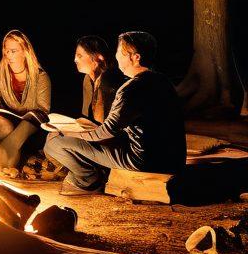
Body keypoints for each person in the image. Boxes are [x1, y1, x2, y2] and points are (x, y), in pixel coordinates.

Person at [45, 31, 186, 196]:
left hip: (143, 160)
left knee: (54, 142)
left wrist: (71, 133)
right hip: (173, 159)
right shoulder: (162, 81)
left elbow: (107, 131)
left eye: (120, 52)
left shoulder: (131, 89)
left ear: (135, 57)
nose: (116, 56)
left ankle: (89, 181)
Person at [0, 29, 51, 170]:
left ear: (25, 51)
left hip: (32, 129)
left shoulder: (41, 78)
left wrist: (13, 140)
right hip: (8, 124)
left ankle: (5, 155)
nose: (8, 55)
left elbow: (42, 113)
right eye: (6, 51)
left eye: (13, 51)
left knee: (28, 125)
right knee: (0, 126)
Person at [74, 34, 122, 124]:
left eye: (79, 56)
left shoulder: (108, 81)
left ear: (99, 57)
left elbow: (107, 124)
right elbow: (86, 118)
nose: (75, 59)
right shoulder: (87, 79)